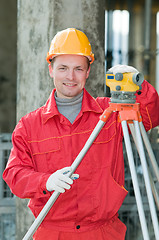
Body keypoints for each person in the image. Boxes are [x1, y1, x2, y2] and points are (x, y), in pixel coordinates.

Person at [3, 28, 159, 240]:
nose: (71, 76)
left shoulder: (110, 112)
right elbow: (14, 174)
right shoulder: (29, 125)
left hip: (103, 232)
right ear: (51, 69)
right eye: (63, 68)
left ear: (88, 72)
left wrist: (137, 85)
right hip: (53, 233)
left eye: (78, 69)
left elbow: (151, 116)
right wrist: (45, 181)